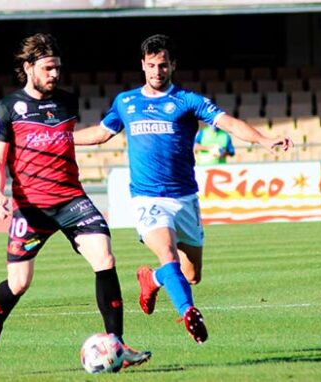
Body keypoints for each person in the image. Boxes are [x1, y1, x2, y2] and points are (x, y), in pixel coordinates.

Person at [73, 34, 292, 344]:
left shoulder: (188, 101)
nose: (157, 72)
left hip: (185, 199)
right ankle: (189, 312)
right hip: (149, 198)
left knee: (191, 276)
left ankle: (152, 279)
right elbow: (100, 133)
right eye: (151, 66)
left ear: (172, 65)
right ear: (142, 66)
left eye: (163, 65)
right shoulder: (126, 102)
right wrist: (61, 139)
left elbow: (228, 123)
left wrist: (263, 140)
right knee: (167, 255)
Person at [0, 33, 151, 368]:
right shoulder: (9, 107)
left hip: (71, 201)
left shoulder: (68, 102)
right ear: (29, 68)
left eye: (58, 68)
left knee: (105, 257)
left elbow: (74, 138)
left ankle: (118, 347)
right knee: (18, 283)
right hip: (31, 208)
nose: (55, 74)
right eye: (48, 68)